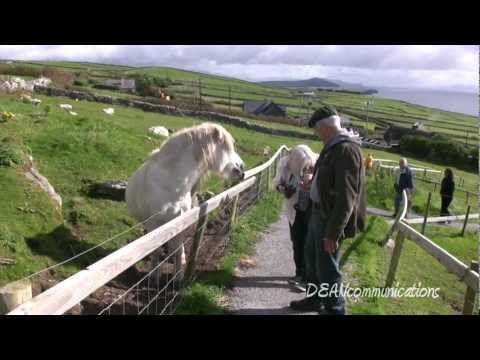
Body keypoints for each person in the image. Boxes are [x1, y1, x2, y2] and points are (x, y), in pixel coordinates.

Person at [290, 105, 367, 315]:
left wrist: (333, 232)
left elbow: (347, 197)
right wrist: (312, 183)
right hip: (318, 212)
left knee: (327, 266)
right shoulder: (333, 146)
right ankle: (315, 299)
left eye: (317, 129)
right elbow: (328, 178)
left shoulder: (346, 150)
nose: (316, 134)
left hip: (329, 217)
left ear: (325, 126)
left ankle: (335, 309)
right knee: (312, 259)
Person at [274, 145, 317, 292]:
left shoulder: (316, 162)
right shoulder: (285, 164)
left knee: (309, 243)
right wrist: (283, 189)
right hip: (295, 208)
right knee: (297, 241)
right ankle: (300, 273)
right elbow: (277, 183)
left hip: (312, 209)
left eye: (307, 167)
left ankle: (307, 277)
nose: (305, 170)